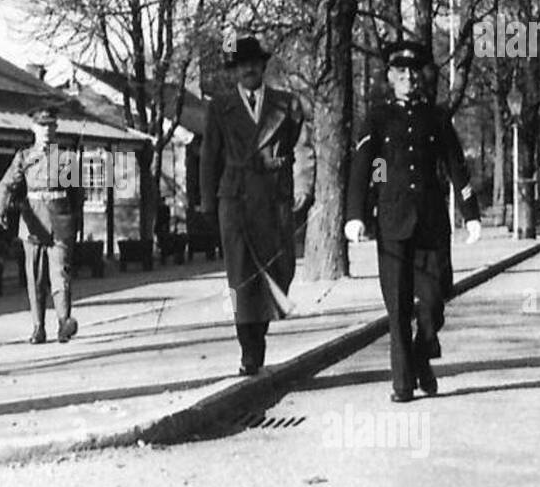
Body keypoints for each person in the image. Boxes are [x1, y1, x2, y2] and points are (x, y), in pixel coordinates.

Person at [344, 40, 482, 403]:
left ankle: (422, 357)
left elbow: (455, 164)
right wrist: (357, 213)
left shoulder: (435, 118)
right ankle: (402, 383)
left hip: (432, 222)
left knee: (435, 302)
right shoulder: (378, 118)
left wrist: (471, 214)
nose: (407, 78)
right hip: (392, 222)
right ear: (390, 76)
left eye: (412, 73)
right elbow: (368, 168)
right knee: (399, 305)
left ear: (419, 77)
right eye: (400, 72)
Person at [199, 35, 316, 375]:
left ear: (263, 66)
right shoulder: (220, 107)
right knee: (240, 278)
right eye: (241, 64)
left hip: (274, 198)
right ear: (234, 70)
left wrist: (304, 186)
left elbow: (304, 148)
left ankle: (258, 332)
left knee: (279, 272)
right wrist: (208, 203)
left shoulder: (287, 104)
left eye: (254, 63)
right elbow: (209, 157)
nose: (248, 69)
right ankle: (249, 348)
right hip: (235, 199)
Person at [0, 102, 82, 344]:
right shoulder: (23, 157)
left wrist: (75, 221)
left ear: (56, 128)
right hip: (32, 221)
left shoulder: (66, 158)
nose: (46, 130)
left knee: (60, 271)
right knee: (35, 276)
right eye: (42, 126)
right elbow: (7, 184)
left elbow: (76, 194)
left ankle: (64, 322)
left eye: (51, 126)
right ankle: (38, 326)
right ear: (33, 128)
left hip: (60, 219)